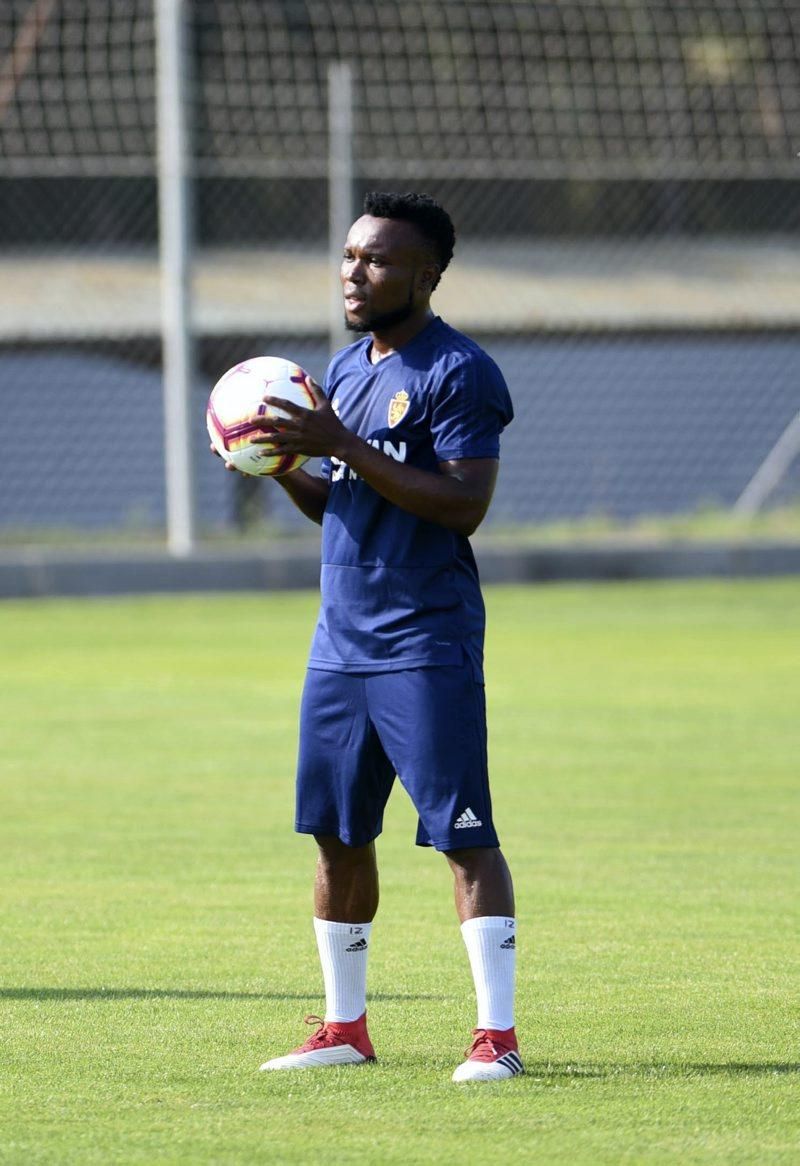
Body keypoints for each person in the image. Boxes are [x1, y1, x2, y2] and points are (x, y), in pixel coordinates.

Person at [214, 191, 521, 1082]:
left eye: (379, 260)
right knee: (338, 835)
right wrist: (272, 461)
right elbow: (342, 497)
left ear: (427, 274)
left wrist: (340, 436)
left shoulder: (458, 372)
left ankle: (496, 1039)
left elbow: (464, 505)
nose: (357, 273)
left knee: (464, 835)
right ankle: (345, 1029)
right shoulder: (344, 371)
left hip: (425, 641)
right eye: (350, 257)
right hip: (339, 644)